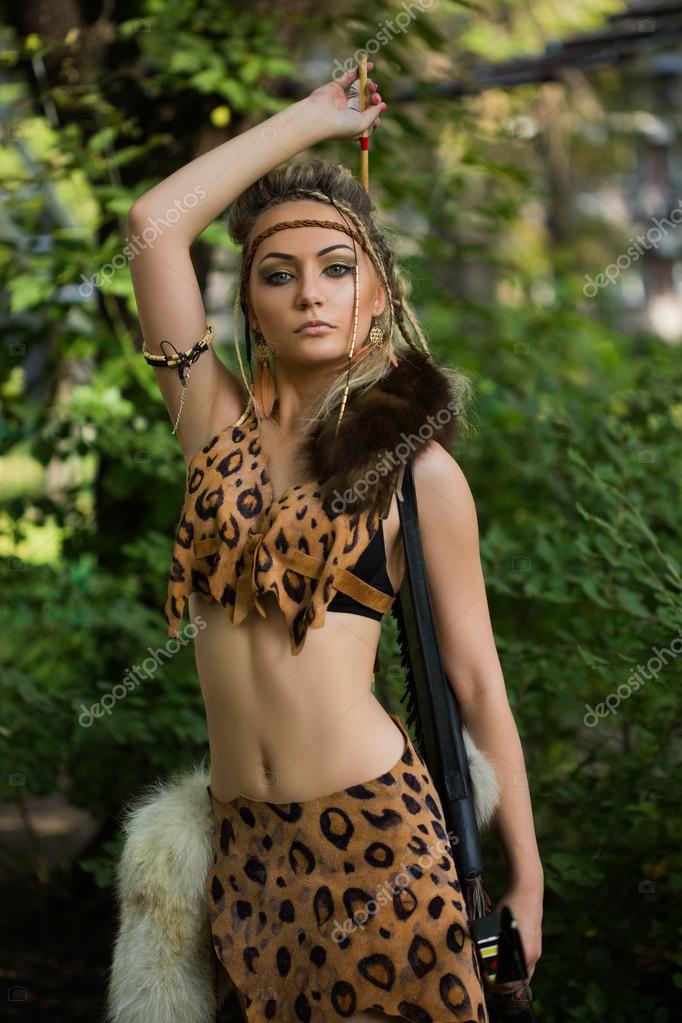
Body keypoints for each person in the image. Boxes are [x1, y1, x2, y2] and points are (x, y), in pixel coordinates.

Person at [126, 61, 543, 1023]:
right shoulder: (210, 426)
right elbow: (153, 226)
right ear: (251, 305)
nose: (310, 293)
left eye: (337, 268)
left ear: (379, 293)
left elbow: (478, 682)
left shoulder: (415, 469)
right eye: (280, 274)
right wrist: (312, 119)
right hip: (243, 856)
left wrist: (526, 878)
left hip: (382, 844)